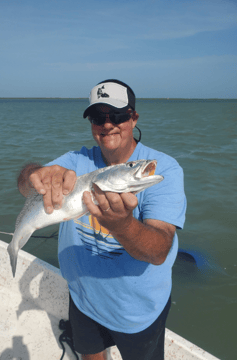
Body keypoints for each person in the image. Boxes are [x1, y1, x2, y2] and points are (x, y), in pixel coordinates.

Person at [18, 79, 186, 360]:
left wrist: (123, 225)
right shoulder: (75, 161)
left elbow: (159, 251)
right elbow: (26, 184)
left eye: (117, 115)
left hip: (138, 312)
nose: (107, 124)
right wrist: (34, 175)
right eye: (98, 117)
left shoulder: (164, 169)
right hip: (83, 300)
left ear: (133, 118)